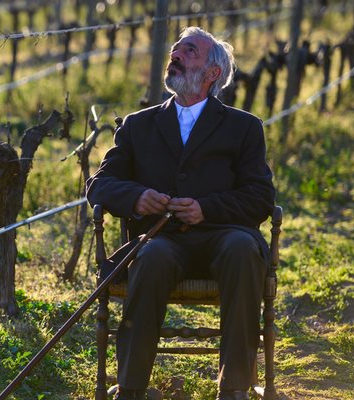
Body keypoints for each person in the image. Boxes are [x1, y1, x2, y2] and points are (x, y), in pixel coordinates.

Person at [86, 27, 276, 400]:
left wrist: (206, 209)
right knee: (151, 255)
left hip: (224, 234)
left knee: (242, 250)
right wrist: (137, 197)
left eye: (189, 51)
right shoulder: (138, 125)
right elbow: (100, 184)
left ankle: (235, 388)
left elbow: (260, 197)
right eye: (174, 50)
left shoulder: (244, 127)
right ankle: (131, 388)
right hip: (163, 239)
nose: (175, 55)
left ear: (212, 74)